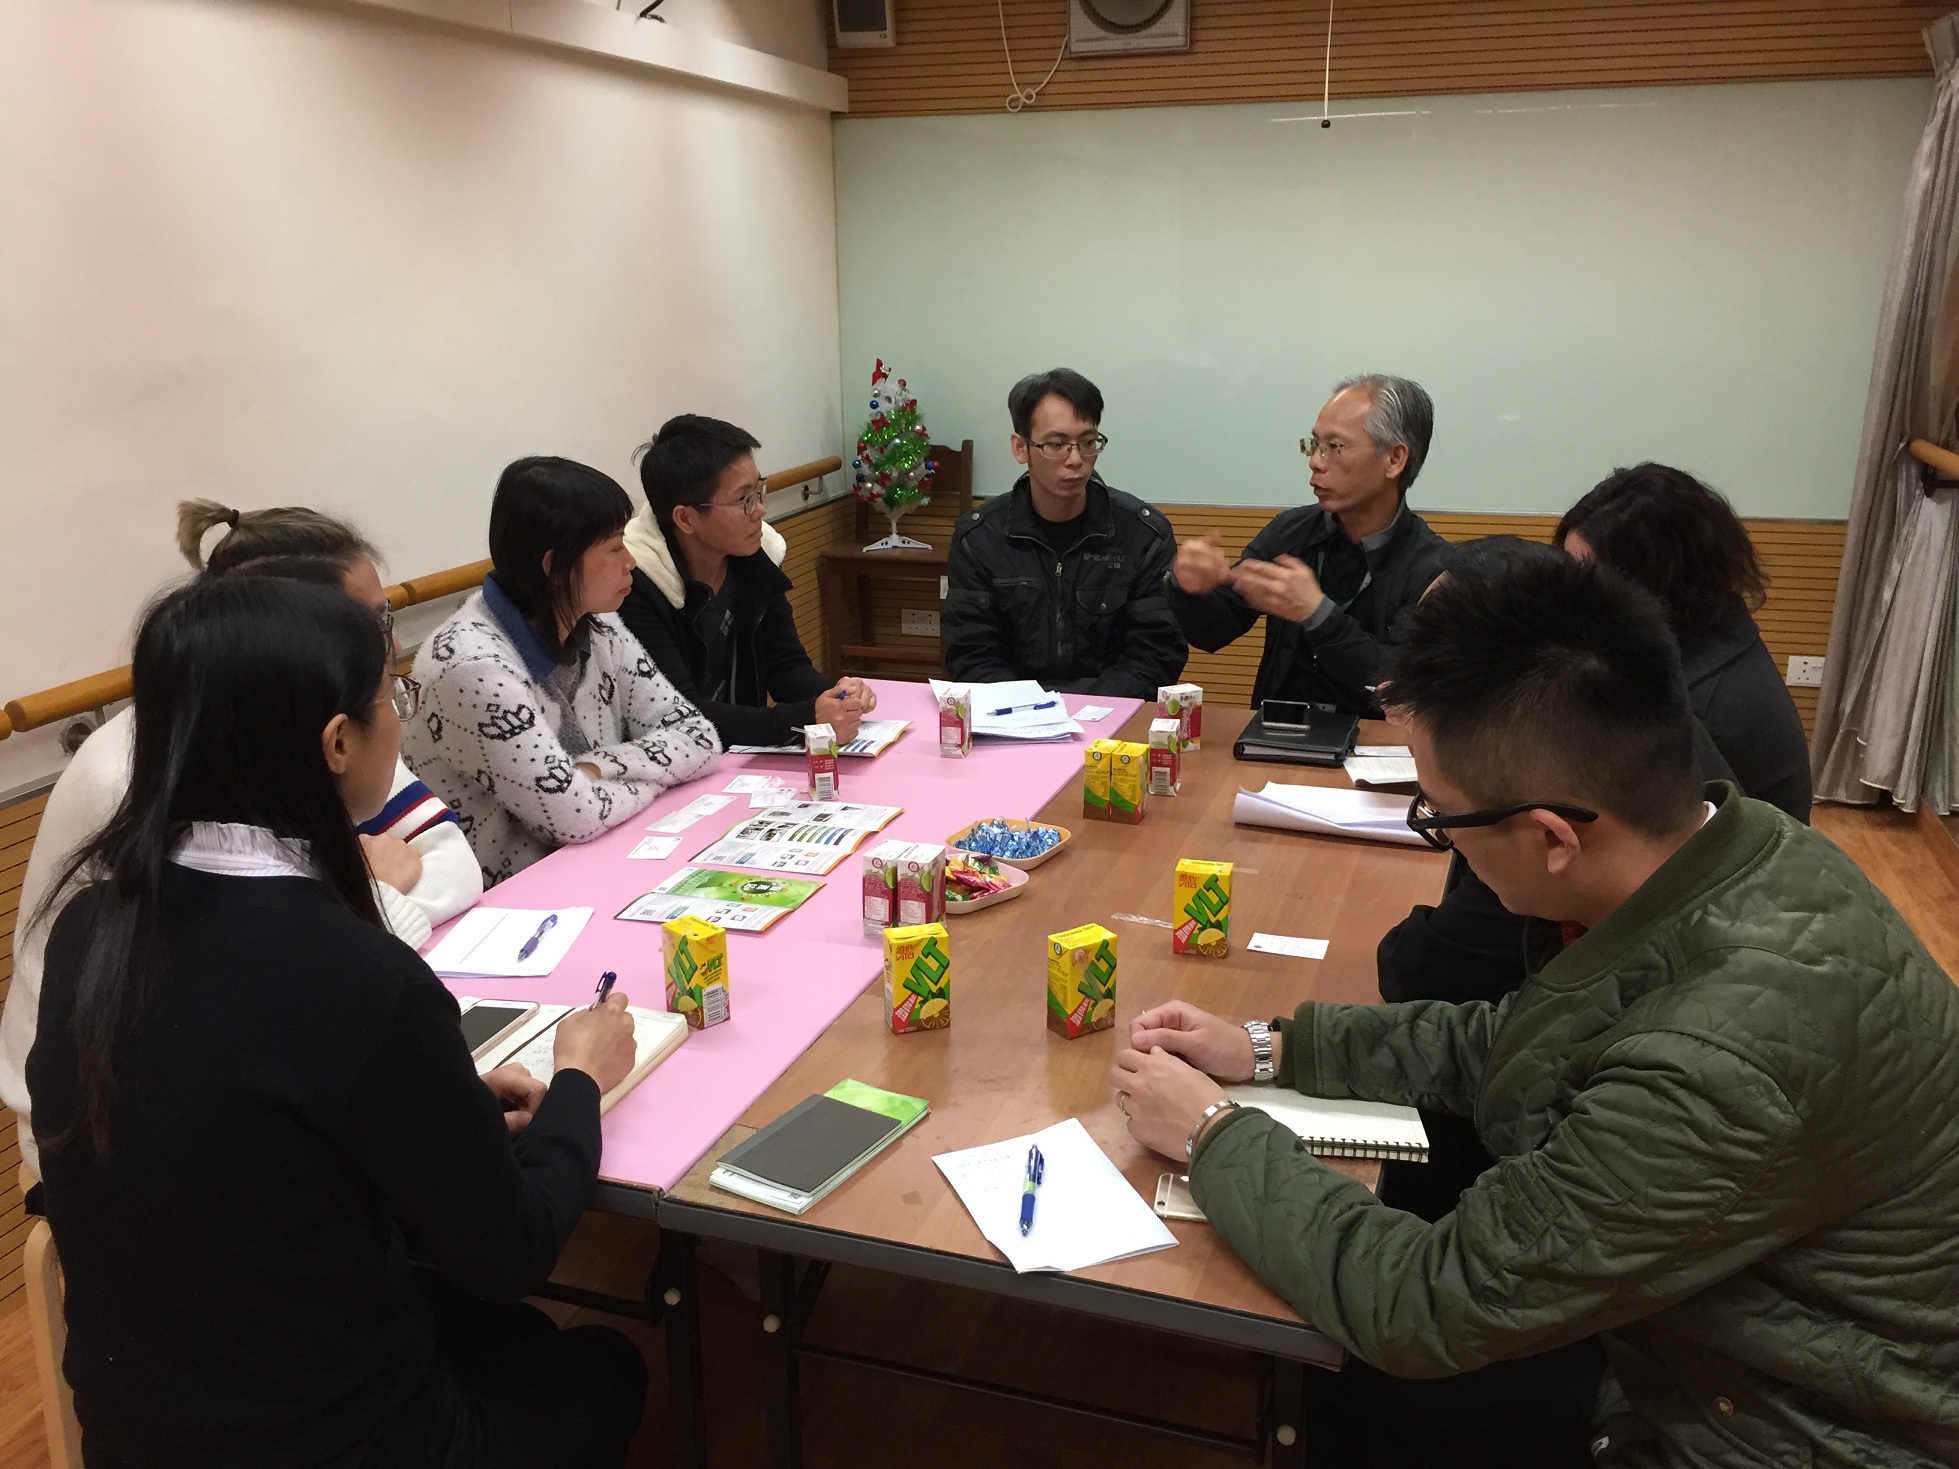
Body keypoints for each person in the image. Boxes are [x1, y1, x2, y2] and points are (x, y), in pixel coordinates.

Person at [1108, 553, 1959, 1467]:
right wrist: (1267, 1046)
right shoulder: (1745, 850)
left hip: (1768, 1430)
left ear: (1552, 836)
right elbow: (1525, 1037)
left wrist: (1212, 1135)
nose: (1441, 839)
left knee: (1296, 1398)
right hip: (1701, 1343)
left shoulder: (1718, 1064)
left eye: (1439, 816)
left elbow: (1426, 1302)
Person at [27, 574, 648, 1467]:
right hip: (339, 1441)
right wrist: (579, 1079)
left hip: (139, 1435)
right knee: (604, 1364)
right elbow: (511, 1250)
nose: (399, 718)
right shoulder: (358, 973)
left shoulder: (93, 927)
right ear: (337, 741)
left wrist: (441, 1101)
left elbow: (237, 1118)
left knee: (497, 1333)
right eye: (391, 697)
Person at [1, 500, 483, 1185]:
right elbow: (232, 981)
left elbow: (452, 862)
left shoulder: (331, 708)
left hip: (243, 1062)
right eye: (367, 621)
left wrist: (350, 918)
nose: (385, 643)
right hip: (107, 1124)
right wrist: (375, 899)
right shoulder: (142, 770)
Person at [407, 456, 721, 884]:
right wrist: (657, 774)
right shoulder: (471, 666)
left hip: (599, 857)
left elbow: (700, 736)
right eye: (614, 547)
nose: (630, 561)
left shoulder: (598, 620)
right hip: (505, 897)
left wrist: (596, 768)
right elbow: (577, 816)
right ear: (555, 566)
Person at [1166, 374, 1446, 716]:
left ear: (1394, 459)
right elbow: (1215, 631)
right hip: (1276, 733)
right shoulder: (1291, 533)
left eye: (1335, 447)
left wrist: (1317, 615)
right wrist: (1186, 586)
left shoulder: (1431, 569)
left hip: (1375, 743)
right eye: (1314, 444)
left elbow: (1401, 687)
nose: (1315, 461)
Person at [1556, 462, 1811, 821]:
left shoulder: (1694, 703)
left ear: (1654, 583)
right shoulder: (1719, 629)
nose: (1572, 599)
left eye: (1591, 581)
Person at [617, 414, 877, 747]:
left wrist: (836, 697)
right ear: (686, 518)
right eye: (744, 499)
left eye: (758, 490)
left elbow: (786, 667)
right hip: (674, 758)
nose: (760, 510)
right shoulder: (634, 586)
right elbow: (679, 713)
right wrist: (806, 718)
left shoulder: (755, 556)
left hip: (742, 757)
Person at [942, 367, 1186, 696]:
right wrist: (1034, 710)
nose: (1075, 459)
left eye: (1088, 442)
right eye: (1057, 444)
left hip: (1113, 714)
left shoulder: (1143, 534)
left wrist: (1086, 712)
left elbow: (1155, 655)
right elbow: (970, 654)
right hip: (1012, 713)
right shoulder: (978, 538)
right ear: (1020, 447)